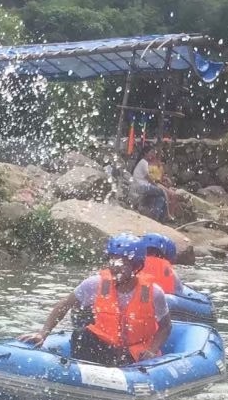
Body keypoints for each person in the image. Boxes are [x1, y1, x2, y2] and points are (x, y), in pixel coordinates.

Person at [23, 235, 171, 366]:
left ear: (136, 266)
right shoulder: (95, 283)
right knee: (81, 335)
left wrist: (152, 350)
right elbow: (64, 305)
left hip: (135, 353)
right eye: (112, 263)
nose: (115, 269)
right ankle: (79, 372)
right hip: (105, 346)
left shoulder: (153, 292)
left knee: (125, 359)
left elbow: (165, 327)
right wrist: (43, 334)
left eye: (122, 265)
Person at [127, 146, 172, 222]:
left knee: (160, 199)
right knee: (162, 192)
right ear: (145, 153)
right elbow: (148, 178)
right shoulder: (143, 162)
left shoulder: (144, 162)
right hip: (141, 187)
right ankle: (167, 215)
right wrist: (156, 185)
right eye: (150, 152)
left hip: (144, 186)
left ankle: (157, 219)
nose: (152, 154)